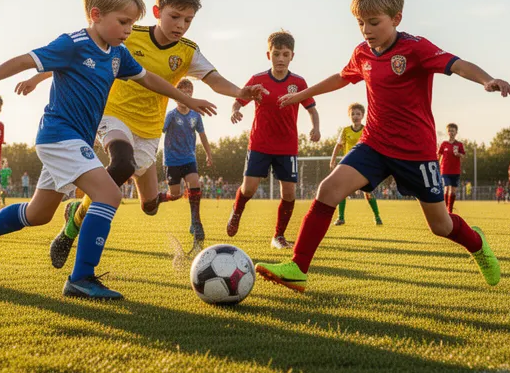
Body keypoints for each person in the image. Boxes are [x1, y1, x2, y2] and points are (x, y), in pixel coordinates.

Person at [0, 0, 217, 300]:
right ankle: (81, 278)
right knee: (110, 194)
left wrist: (188, 99)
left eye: (133, 23)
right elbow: (25, 60)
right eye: (123, 22)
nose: (129, 30)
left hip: (74, 142)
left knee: (38, 214)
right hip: (60, 137)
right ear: (96, 15)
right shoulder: (73, 43)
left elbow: (148, 79)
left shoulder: (117, 52)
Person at [254, 0, 510, 292]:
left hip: (415, 153)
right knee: (328, 190)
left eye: (374, 22)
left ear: (396, 18)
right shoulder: (362, 53)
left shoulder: (416, 48)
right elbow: (342, 77)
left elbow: (457, 64)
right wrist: (302, 95)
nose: (366, 30)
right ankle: (298, 268)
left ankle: (477, 245)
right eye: (361, 23)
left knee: (441, 226)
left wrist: (487, 79)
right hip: (374, 144)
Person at [16, 0, 266, 268]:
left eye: (188, 20)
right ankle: (74, 231)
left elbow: (214, 80)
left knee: (149, 205)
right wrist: (38, 77)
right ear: (158, 12)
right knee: (120, 163)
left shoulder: (187, 51)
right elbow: (78, 55)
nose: (180, 25)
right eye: (175, 17)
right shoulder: (127, 34)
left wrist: (240, 91)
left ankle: (77, 211)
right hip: (113, 115)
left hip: (149, 130)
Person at [227, 30, 321, 249]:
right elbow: (238, 100)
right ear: (268, 55)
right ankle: (236, 212)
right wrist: (235, 110)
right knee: (248, 189)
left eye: (285, 54)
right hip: (260, 144)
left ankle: (278, 236)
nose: (280, 58)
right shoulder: (258, 80)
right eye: (276, 53)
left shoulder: (298, 82)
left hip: (287, 147)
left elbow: (312, 109)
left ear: (292, 56)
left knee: (289, 193)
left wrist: (315, 128)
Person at [158, 78, 215, 249]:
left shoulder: (195, 115)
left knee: (195, 184)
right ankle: (159, 197)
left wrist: (209, 153)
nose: (186, 95)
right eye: (182, 92)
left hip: (189, 158)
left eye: (189, 93)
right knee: (175, 194)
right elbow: (159, 131)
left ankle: (195, 223)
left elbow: (203, 135)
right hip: (171, 160)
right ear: (176, 96)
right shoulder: (171, 116)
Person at [330, 103, 382, 226]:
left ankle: (377, 217)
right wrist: (333, 160)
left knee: (368, 192)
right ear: (349, 116)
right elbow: (338, 146)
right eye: (352, 114)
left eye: (358, 114)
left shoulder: (366, 130)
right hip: (348, 165)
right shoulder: (345, 130)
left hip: (364, 164)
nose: (355, 116)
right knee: (342, 190)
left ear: (362, 116)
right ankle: (341, 218)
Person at [437, 123, 465, 213]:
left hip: (455, 171)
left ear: (456, 132)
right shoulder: (444, 144)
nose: (451, 132)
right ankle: (445, 209)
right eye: (449, 131)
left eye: (453, 131)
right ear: (447, 132)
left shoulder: (459, 144)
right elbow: (438, 155)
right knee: (446, 187)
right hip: (445, 170)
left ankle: (450, 210)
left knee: (453, 191)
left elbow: (463, 156)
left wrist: (458, 154)